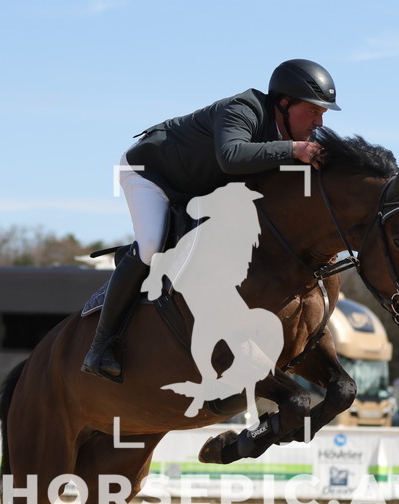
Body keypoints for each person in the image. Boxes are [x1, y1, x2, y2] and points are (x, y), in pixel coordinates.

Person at [82, 58, 341, 382]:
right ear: (284, 103)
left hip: (198, 188)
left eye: (322, 114)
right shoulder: (244, 108)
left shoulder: (288, 135)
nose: (318, 121)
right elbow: (231, 157)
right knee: (151, 246)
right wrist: (294, 150)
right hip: (151, 174)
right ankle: (100, 346)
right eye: (313, 111)